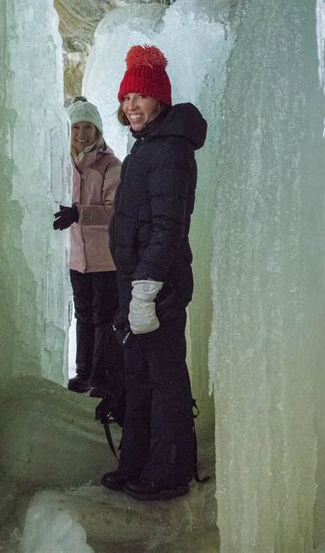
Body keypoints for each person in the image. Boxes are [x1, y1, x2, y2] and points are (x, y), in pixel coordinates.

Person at [101, 45, 207, 501]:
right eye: (126, 100)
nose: (132, 107)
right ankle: (138, 463)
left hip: (156, 288)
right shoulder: (147, 146)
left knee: (164, 382)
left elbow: (167, 227)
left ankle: (169, 472)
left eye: (140, 97)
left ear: (159, 99)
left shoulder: (169, 152)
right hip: (137, 285)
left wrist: (146, 288)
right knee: (139, 378)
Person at [54, 97, 121, 398]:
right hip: (78, 259)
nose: (81, 134)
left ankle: (103, 376)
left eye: (88, 128)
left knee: (104, 317)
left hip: (106, 258)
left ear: (98, 131)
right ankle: (84, 373)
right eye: (76, 127)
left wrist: (79, 213)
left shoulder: (111, 165)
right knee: (84, 314)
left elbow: (114, 210)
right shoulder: (63, 162)